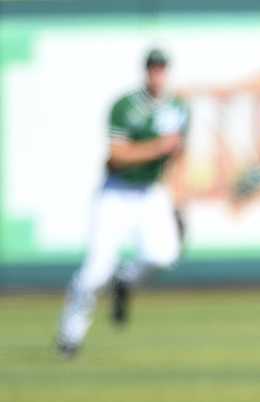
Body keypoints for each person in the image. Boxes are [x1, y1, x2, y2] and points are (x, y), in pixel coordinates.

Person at [55, 48, 188, 358]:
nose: (157, 73)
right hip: (116, 192)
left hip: (151, 192)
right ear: (146, 72)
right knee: (95, 273)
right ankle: (68, 336)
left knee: (164, 254)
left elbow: (180, 152)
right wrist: (158, 147)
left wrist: (179, 193)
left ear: (167, 72)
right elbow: (116, 156)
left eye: (162, 68)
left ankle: (123, 283)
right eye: (153, 68)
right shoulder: (124, 106)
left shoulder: (178, 107)